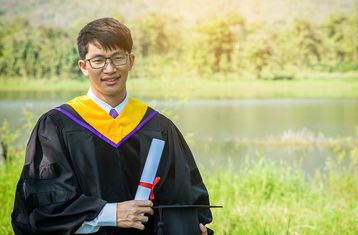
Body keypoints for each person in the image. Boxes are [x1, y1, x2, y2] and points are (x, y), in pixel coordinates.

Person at [11, 18, 213, 235]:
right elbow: (44, 209)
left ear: (131, 61)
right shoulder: (57, 126)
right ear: (83, 67)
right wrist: (109, 213)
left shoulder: (159, 127)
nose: (110, 69)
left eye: (118, 58)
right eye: (98, 60)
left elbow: (184, 200)